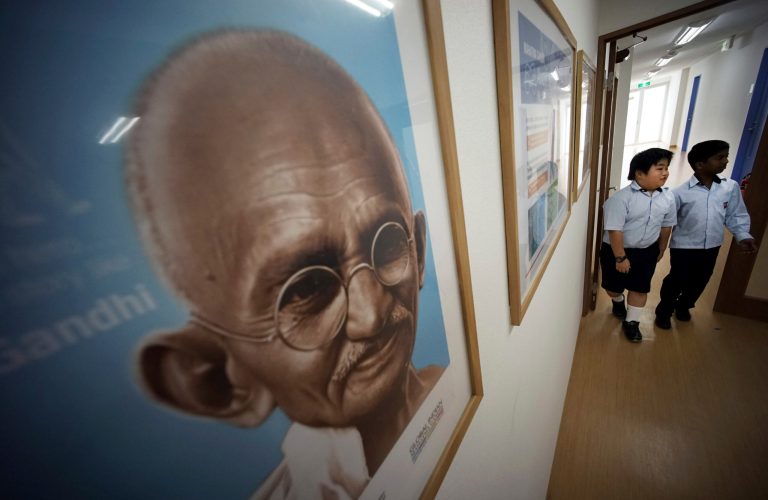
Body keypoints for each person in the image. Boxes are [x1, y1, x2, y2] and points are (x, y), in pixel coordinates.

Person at [125, 30, 444, 499]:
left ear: (418, 249)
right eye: (306, 290)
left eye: (388, 242)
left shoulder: (461, 393)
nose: (372, 312)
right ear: (215, 378)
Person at [654, 140, 757, 329]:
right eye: (720, 157)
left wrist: (743, 235)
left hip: (712, 246)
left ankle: (684, 305)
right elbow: (666, 222)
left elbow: (735, 214)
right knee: (676, 280)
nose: (726, 161)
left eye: (726, 156)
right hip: (684, 247)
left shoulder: (730, 188)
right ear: (701, 164)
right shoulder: (679, 193)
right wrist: (657, 246)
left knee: (701, 279)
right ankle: (664, 311)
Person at [600, 148, 676, 342]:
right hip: (617, 251)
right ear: (639, 173)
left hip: (647, 251)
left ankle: (631, 322)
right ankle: (618, 300)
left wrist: (661, 248)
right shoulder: (620, 199)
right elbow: (615, 230)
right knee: (613, 287)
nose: (665, 173)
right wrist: (620, 257)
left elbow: (667, 225)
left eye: (666, 168)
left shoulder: (668, 197)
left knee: (640, 288)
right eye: (659, 168)